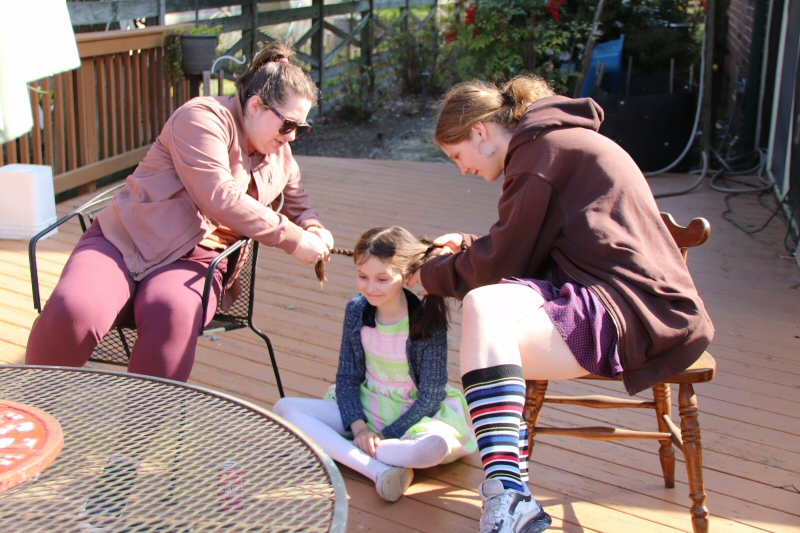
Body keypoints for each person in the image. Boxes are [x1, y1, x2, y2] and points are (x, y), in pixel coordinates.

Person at [407, 76, 715, 533]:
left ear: (480, 133)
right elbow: (533, 241)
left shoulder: (538, 158)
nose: (461, 169)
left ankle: (510, 491)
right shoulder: (549, 144)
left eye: (457, 156)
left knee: (488, 330)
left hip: (634, 309)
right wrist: (469, 245)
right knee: (485, 314)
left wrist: (426, 276)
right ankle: (511, 492)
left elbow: (504, 261)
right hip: (592, 286)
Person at [26, 41, 333, 382]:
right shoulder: (202, 118)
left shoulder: (280, 155)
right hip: (125, 242)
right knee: (74, 310)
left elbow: (299, 203)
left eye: (302, 129)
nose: (292, 137)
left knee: (173, 315)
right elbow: (220, 196)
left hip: (195, 263)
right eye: (289, 124)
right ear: (256, 105)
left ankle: (143, 436)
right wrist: (292, 238)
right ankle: (23, 420)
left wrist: (314, 227)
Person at [273, 226, 477, 502]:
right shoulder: (358, 310)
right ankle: (377, 469)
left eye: (382, 279)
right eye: (363, 277)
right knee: (285, 408)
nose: (370, 287)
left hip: (416, 417)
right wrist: (359, 428)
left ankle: (340, 448)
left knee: (434, 448)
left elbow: (430, 396)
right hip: (368, 405)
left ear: (405, 275)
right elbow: (347, 377)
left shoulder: (426, 319)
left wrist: (382, 435)